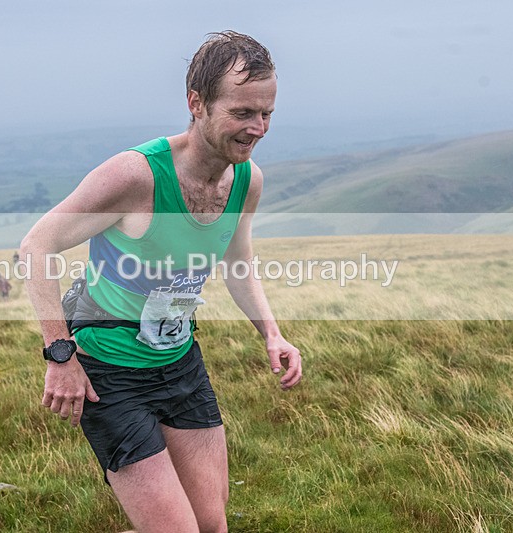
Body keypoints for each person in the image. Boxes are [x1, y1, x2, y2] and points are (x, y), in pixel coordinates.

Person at [21, 31, 302, 532]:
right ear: (197, 103)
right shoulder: (136, 175)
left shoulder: (246, 180)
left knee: (212, 526)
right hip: (108, 375)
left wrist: (271, 333)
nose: (257, 128)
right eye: (242, 113)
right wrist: (59, 354)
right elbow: (36, 246)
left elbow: (238, 262)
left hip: (179, 364)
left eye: (267, 114)